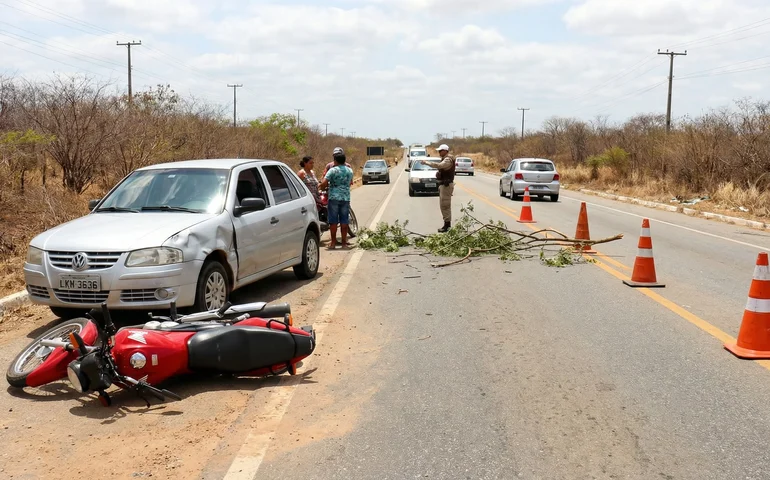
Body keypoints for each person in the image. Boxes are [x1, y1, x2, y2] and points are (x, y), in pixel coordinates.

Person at [318, 148, 354, 249]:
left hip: (333, 197)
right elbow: (350, 182)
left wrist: (324, 187)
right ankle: (343, 243)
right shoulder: (350, 170)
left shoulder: (332, 170)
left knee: (333, 221)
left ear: (335, 161)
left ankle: (333, 243)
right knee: (344, 221)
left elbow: (324, 183)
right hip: (345, 197)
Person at [423, 144, 455, 232]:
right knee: (443, 205)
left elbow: (440, 166)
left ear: (445, 151)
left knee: (445, 205)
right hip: (443, 185)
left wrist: (427, 163)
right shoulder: (446, 158)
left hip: (446, 185)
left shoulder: (448, 159)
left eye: (440, 151)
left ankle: (447, 226)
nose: (439, 152)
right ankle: (446, 224)